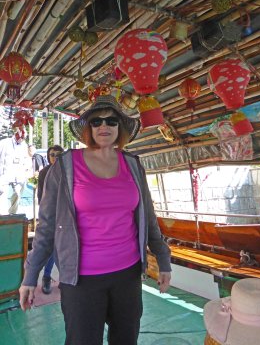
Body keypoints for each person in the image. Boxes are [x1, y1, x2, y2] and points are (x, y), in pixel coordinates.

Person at [19, 95, 171, 345]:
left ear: (119, 127)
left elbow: (148, 216)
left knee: (126, 339)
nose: (104, 126)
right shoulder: (66, 166)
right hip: (81, 279)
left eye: (112, 121)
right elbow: (46, 226)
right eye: (96, 121)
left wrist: (162, 259)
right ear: (88, 127)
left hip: (128, 274)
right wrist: (30, 275)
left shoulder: (132, 164)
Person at [37, 145, 64, 294]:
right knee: (53, 247)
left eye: (58, 154)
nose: (55, 157)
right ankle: (46, 276)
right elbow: (41, 196)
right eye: (52, 154)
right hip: (51, 216)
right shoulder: (44, 173)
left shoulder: (68, 171)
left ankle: (65, 277)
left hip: (67, 215)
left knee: (65, 247)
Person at [0, 126, 32, 215]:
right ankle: (2, 215)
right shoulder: (4, 143)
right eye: (21, 136)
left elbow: (27, 160)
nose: (21, 139)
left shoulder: (25, 145)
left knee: (17, 193)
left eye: (23, 137)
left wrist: (28, 171)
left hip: (18, 175)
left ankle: (12, 214)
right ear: (16, 134)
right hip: (4, 173)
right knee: (2, 194)